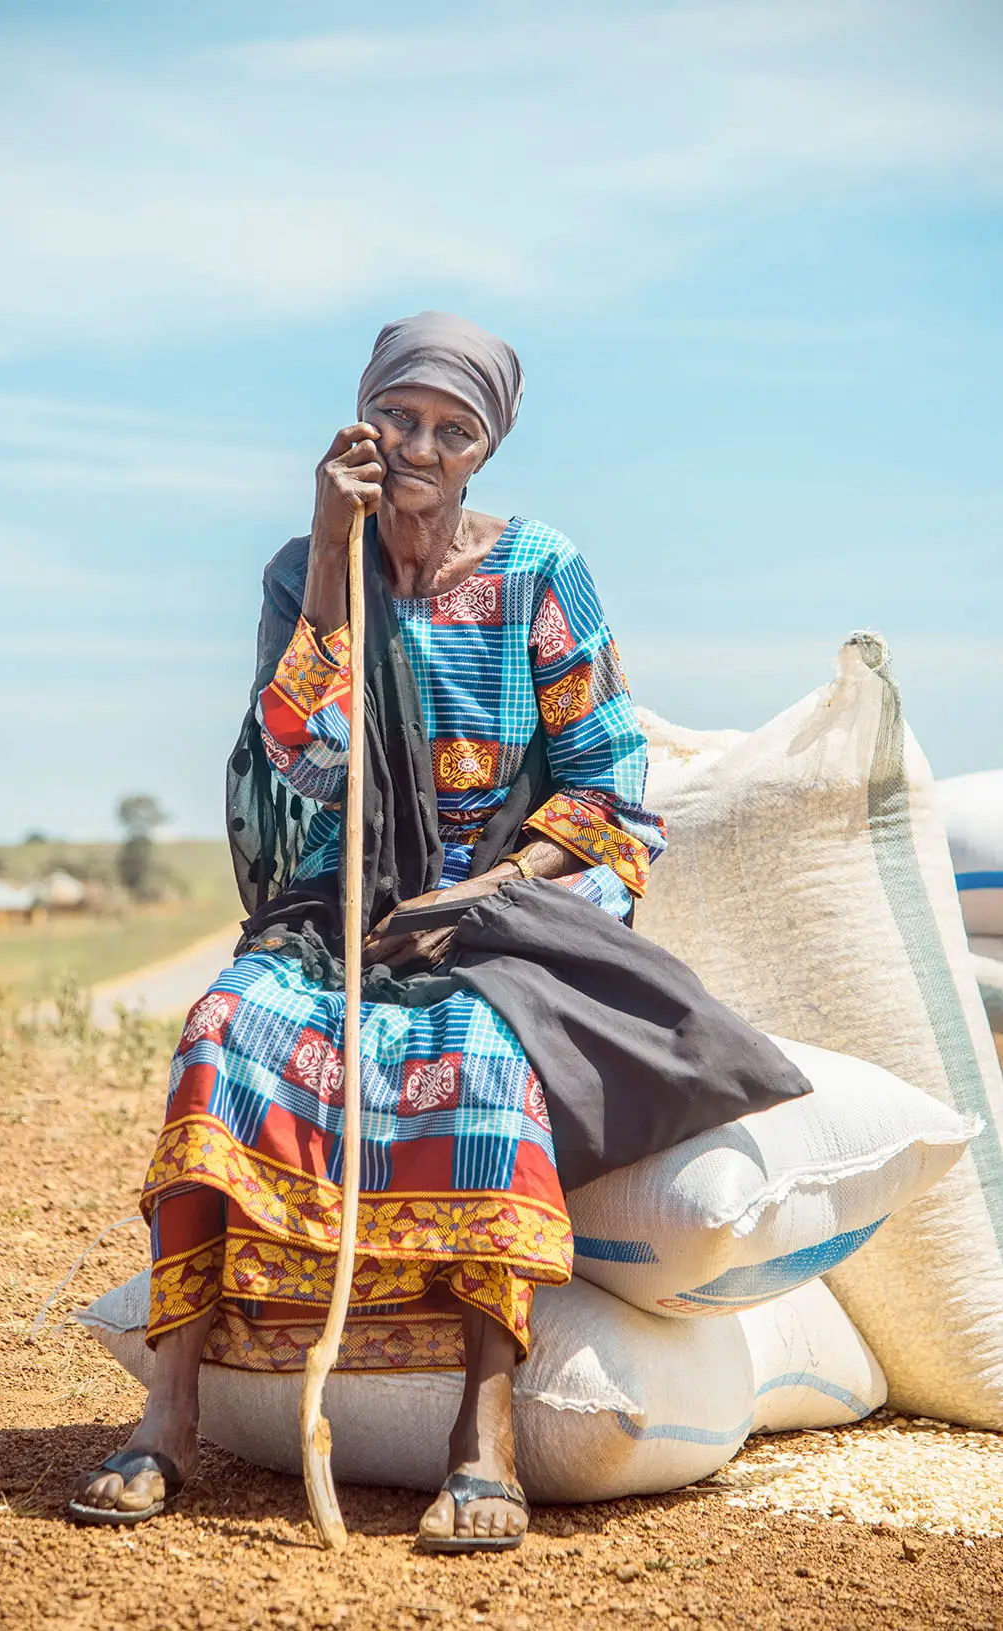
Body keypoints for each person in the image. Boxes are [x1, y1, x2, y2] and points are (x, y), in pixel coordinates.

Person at [69, 313, 802, 1550]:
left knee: (483, 1067)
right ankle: (167, 1416)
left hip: (505, 912)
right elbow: (303, 759)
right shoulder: (309, 568)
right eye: (398, 418)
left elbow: (612, 780)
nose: (419, 445)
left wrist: (495, 884)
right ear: (360, 421)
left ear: (483, 452)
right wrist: (333, 541)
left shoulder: (538, 570)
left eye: (450, 430)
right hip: (342, 914)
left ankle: (487, 1434)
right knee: (223, 1030)